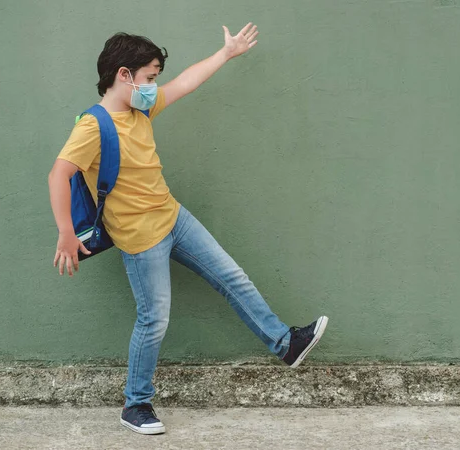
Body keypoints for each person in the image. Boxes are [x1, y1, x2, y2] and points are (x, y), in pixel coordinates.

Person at [48, 23, 329, 435]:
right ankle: (136, 404)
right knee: (154, 320)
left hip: (173, 217)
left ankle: (286, 344)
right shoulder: (93, 126)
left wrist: (226, 53)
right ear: (123, 75)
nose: (154, 86)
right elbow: (59, 174)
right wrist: (65, 234)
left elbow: (185, 83)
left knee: (233, 277)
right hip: (140, 239)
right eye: (149, 77)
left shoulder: (140, 107)